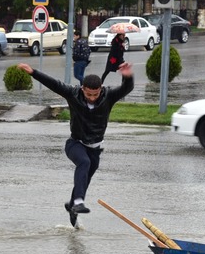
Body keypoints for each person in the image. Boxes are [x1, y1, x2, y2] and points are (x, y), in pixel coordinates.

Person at [16, 61, 134, 228]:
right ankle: (78, 202)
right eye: (88, 94)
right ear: (82, 89)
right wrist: (33, 72)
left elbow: (126, 89)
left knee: (84, 179)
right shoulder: (72, 94)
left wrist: (128, 76)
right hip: (75, 144)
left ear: (101, 89)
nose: (92, 98)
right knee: (83, 163)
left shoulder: (108, 96)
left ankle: (72, 206)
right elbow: (54, 84)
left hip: (95, 149)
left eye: (95, 94)